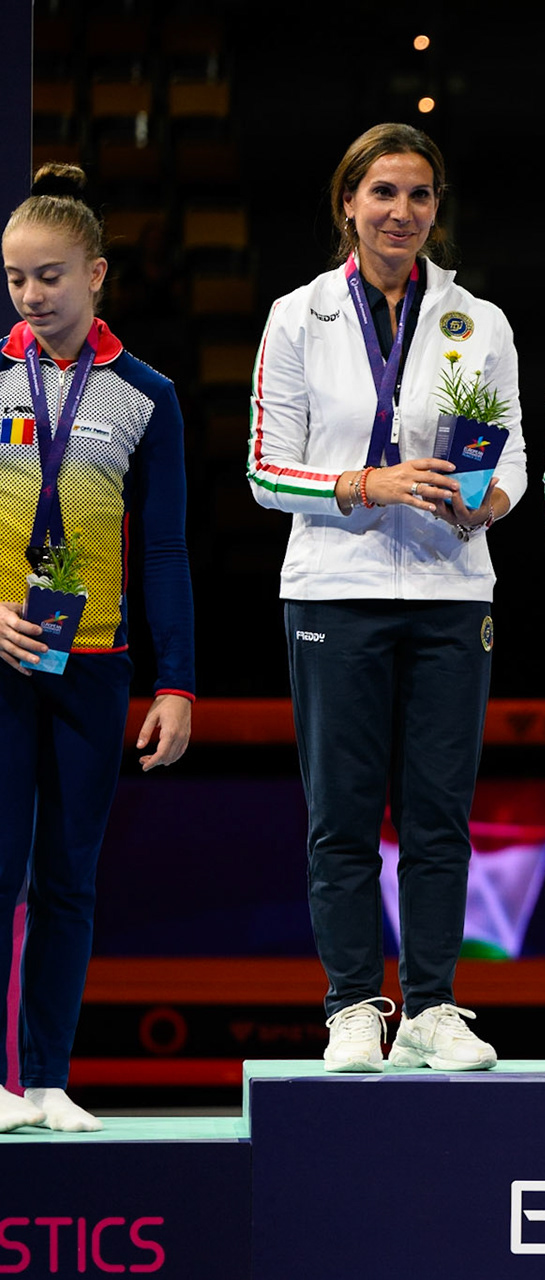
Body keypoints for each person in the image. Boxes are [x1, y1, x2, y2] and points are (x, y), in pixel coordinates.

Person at [247, 124, 526, 1073]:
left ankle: (435, 1005)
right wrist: (366, 483)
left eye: (418, 195)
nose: (400, 212)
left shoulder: (477, 321)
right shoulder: (298, 316)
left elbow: (515, 451)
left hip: (452, 588)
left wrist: (492, 499)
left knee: (439, 813)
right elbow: (262, 470)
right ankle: (353, 1003)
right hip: (335, 586)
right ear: (348, 205)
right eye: (382, 194)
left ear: (435, 210)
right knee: (343, 810)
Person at [0, 164, 194, 1132]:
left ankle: (45, 1081)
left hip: (96, 663)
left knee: (69, 876)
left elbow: (163, 549)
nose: (34, 296)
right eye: (18, 279)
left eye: (51, 276)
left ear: (98, 274)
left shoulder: (147, 396)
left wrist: (177, 682)